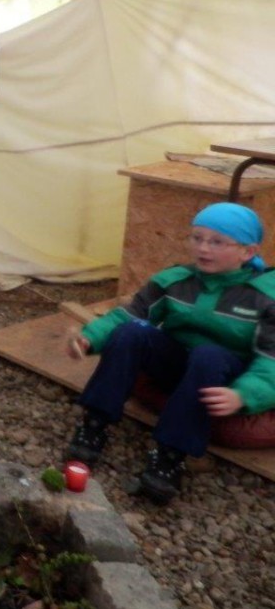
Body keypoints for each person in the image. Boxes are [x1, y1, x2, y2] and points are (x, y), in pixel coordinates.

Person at [64, 202, 275, 504]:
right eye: (197, 238)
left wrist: (244, 395)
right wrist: (89, 339)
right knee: (132, 331)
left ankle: (169, 457)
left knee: (209, 355)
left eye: (217, 242)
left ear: (248, 252)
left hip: (223, 377)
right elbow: (129, 315)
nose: (203, 248)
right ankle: (94, 425)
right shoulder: (175, 280)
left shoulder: (266, 297)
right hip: (177, 364)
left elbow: (271, 361)